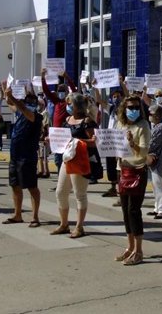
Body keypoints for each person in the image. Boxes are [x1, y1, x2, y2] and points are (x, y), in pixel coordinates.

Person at [51, 93, 97, 238]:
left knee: (79, 194)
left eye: (70, 103)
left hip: (81, 160)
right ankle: (64, 224)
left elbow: (94, 142)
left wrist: (76, 141)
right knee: (60, 191)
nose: (68, 106)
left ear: (77, 105)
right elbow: (61, 137)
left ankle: (79, 226)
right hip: (68, 159)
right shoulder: (67, 120)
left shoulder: (87, 121)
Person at [114, 94, 150, 265]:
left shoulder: (143, 126)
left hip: (137, 171)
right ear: (124, 108)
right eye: (130, 107)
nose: (133, 110)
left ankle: (139, 250)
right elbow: (113, 145)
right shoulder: (120, 124)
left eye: (136, 107)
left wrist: (131, 143)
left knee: (134, 211)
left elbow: (144, 152)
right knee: (125, 212)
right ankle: (129, 247)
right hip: (123, 170)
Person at [1, 84, 42, 227]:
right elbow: (11, 105)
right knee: (15, 185)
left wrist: (12, 96)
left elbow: (23, 109)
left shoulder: (35, 117)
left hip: (27, 157)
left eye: (30, 102)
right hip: (15, 155)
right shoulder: (20, 114)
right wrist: (4, 91)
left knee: (31, 186)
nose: (26, 104)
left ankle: (35, 217)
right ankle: (17, 214)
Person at [40, 68, 78, 173]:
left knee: (67, 157)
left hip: (67, 134)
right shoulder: (56, 101)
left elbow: (74, 91)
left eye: (63, 91)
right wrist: (43, 77)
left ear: (66, 92)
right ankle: (60, 180)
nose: (61, 93)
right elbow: (46, 91)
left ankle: (67, 180)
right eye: (59, 91)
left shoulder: (69, 103)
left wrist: (67, 77)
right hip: (57, 135)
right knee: (57, 160)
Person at [146, 104, 162, 219]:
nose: (149, 116)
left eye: (151, 114)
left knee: (159, 185)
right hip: (154, 160)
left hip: (159, 160)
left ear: (157, 115)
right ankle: (157, 208)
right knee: (155, 185)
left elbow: (153, 143)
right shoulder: (157, 126)